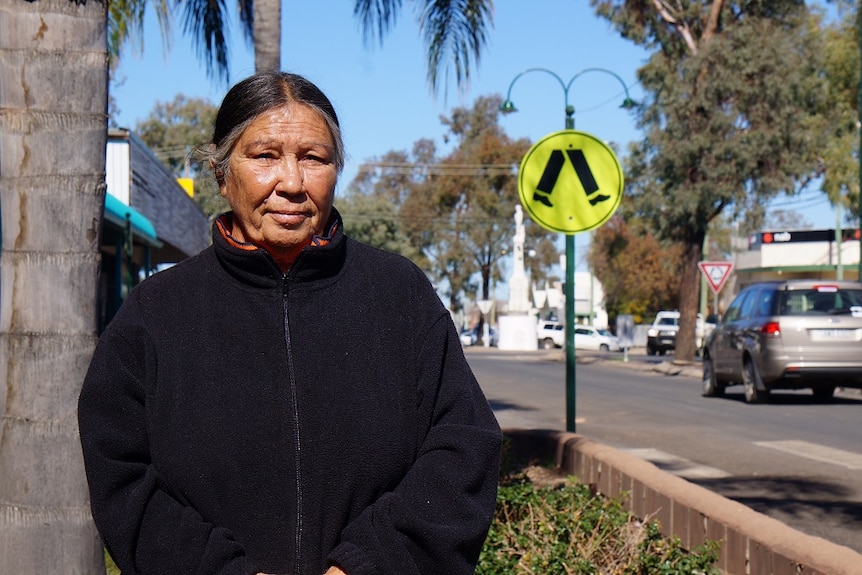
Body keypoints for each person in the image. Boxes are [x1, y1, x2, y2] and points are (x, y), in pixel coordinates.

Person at [78, 71, 502, 575]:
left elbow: (464, 448)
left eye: (314, 158)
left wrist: (367, 566)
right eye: (264, 156)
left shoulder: (399, 295)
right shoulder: (156, 313)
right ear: (221, 172)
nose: (293, 183)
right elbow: (122, 476)